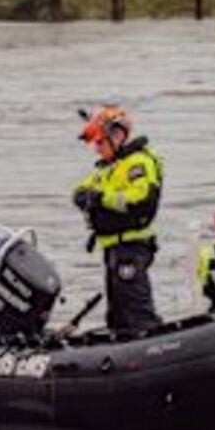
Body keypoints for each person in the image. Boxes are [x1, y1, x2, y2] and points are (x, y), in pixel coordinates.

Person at [72, 104, 164, 333]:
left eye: (100, 142)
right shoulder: (109, 168)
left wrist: (101, 198)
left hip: (131, 247)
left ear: (117, 135)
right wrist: (83, 196)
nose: (96, 149)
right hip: (113, 248)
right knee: (117, 313)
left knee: (137, 310)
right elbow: (83, 189)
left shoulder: (137, 163)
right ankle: (122, 343)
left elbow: (140, 199)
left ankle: (149, 345)